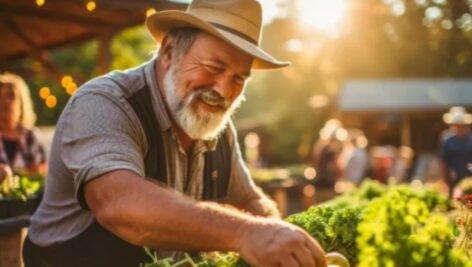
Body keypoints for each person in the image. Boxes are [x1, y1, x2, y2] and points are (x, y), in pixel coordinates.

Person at [23, 1, 327, 267]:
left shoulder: (218, 126)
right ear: (169, 51)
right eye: (213, 67)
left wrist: (277, 233)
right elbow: (118, 204)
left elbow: (249, 198)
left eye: (238, 78)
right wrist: (246, 232)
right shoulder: (105, 103)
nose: (223, 90)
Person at [0, 73, 46, 183]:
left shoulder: (30, 136)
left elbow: (42, 172)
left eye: (11, 96)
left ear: (21, 102)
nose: (6, 101)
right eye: (0, 96)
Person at [440, 106, 472, 198]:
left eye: (461, 125)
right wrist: (444, 180)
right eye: (457, 125)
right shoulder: (447, 140)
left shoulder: (470, 140)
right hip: (453, 178)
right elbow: (443, 161)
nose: (459, 128)